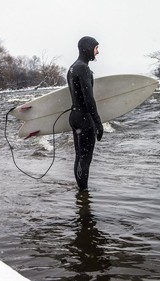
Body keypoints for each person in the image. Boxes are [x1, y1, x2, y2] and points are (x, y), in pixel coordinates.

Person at [67, 36, 103, 191]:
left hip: (74, 116)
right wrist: (98, 123)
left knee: (79, 156)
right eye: (96, 48)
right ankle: (84, 194)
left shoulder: (72, 67)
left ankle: (81, 192)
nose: (97, 52)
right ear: (87, 48)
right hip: (84, 118)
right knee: (85, 159)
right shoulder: (83, 68)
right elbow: (89, 99)